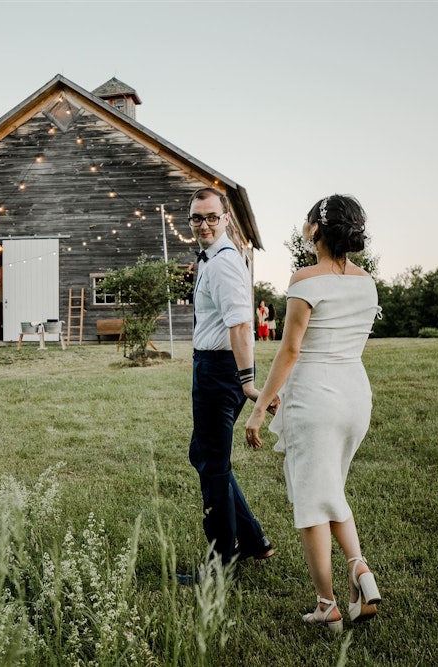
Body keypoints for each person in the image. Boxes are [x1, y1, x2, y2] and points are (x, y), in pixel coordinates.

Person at [244, 194, 382, 631]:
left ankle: (327, 605)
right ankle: (359, 568)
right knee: (330, 488)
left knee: (310, 503)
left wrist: (258, 410)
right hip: (355, 396)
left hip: (316, 398)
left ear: (316, 229)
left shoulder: (305, 279)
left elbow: (289, 351)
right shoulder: (367, 281)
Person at [178, 187, 274, 585]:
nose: (204, 225)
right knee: (202, 453)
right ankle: (254, 539)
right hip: (211, 367)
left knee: (212, 467)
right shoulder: (211, 259)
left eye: (211, 217)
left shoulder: (223, 264)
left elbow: (240, 325)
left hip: (221, 372)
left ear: (226, 219)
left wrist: (247, 381)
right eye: (197, 218)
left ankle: (222, 567)